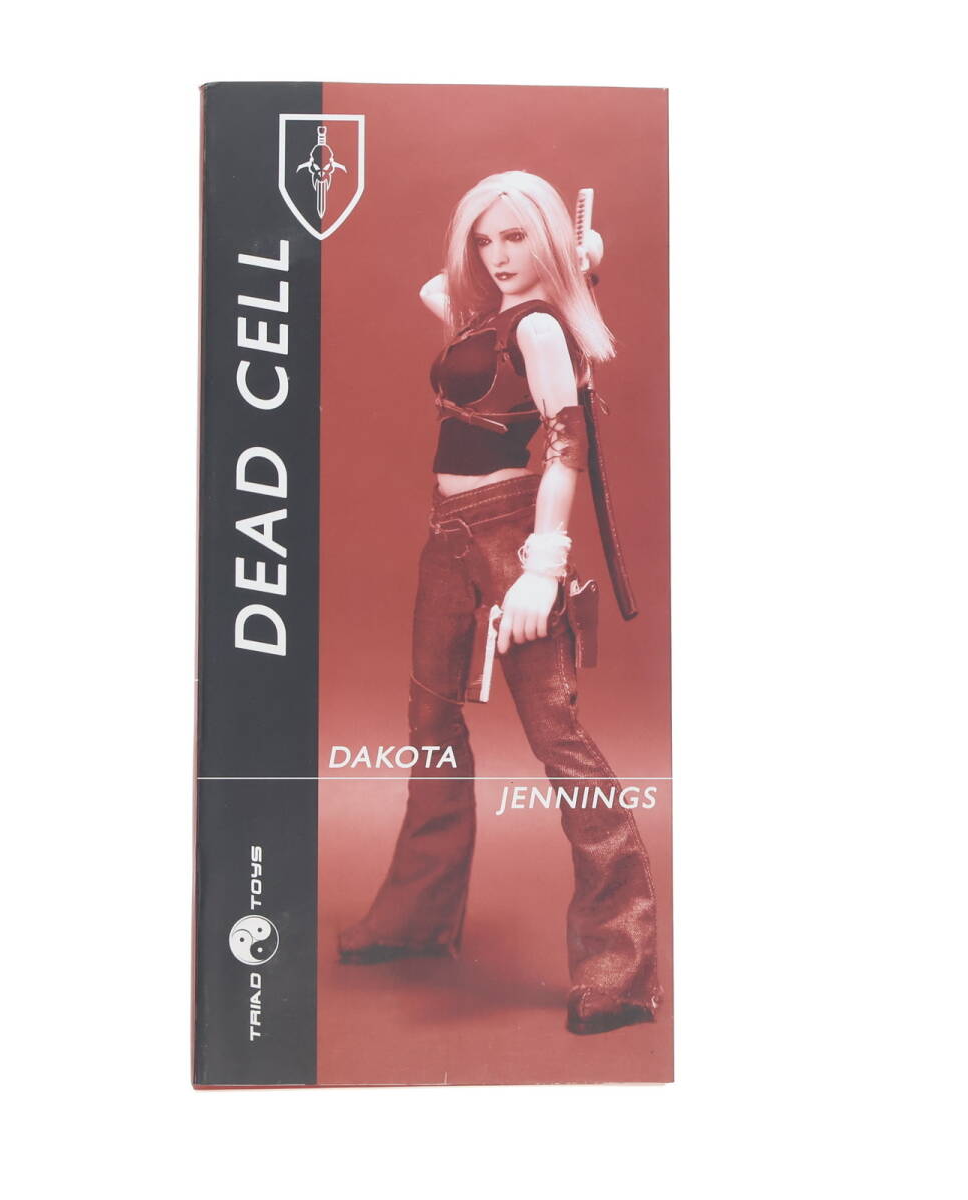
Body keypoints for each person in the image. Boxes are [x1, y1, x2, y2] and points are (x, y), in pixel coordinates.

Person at [337, 170, 660, 1035]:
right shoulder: (484, 312)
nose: (497, 256)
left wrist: (542, 567)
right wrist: (576, 258)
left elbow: (564, 445)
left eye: (518, 237)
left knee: (557, 736)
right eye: (486, 240)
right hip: (446, 531)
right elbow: (436, 287)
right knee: (430, 719)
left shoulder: (541, 326)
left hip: (511, 534)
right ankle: (415, 916)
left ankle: (619, 968)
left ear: (545, 237)